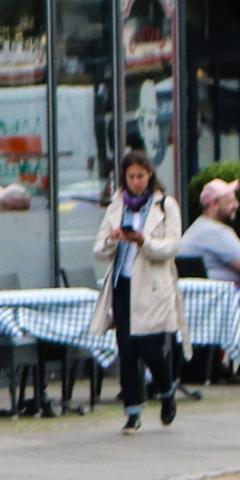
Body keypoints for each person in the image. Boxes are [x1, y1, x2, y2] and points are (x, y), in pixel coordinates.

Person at [89, 151, 184, 432]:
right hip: (123, 285)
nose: (136, 182)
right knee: (127, 350)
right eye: (131, 177)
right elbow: (98, 249)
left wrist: (144, 241)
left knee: (153, 349)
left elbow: (172, 246)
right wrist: (113, 239)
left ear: (150, 176)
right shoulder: (116, 206)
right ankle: (132, 411)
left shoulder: (166, 206)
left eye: (141, 176)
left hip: (153, 288)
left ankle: (167, 393)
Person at [178, 177, 240, 288]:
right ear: (214, 204)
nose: (237, 204)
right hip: (220, 296)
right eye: (230, 201)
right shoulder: (215, 231)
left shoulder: (200, 226)